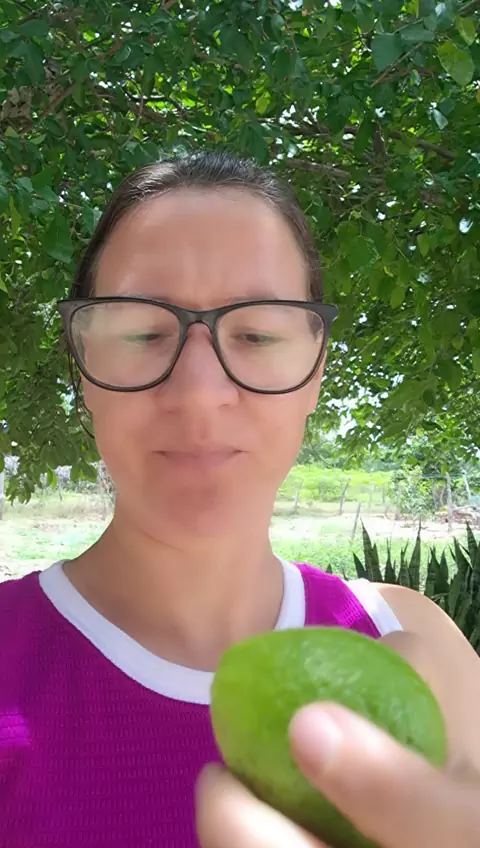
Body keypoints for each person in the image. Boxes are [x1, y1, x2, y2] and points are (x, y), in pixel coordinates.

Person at [0, 151, 479, 848]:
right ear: (83, 371)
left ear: (316, 372)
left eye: (257, 334)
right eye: (141, 332)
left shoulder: (416, 640)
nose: (199, 394)